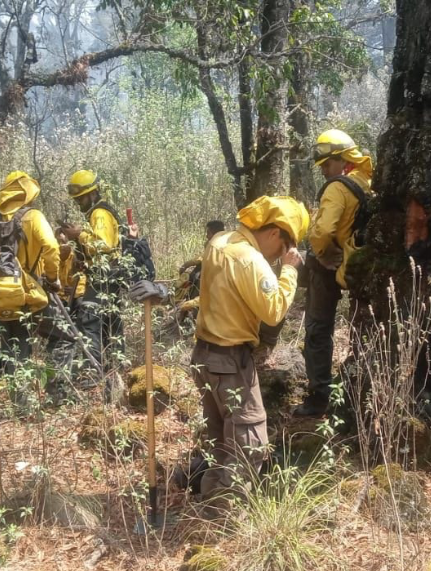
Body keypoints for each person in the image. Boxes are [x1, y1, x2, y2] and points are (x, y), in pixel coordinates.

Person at [133, 195, 308, 503]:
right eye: (282, 249)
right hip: (230, 361)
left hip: (204, 357)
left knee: (221, 440)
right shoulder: (249, 259)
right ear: (273, 233)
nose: (280, 256)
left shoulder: (219, 241)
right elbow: (274, 310)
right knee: (250, 444)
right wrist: (290, 270)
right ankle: (222, 514)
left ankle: (207, 494)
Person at [294, 129, 374, 417]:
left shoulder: (337, 188)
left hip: (327, 266)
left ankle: (318, 398)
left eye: (327, 164)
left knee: (317, 330)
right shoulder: (366, 182)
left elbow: (323, 231)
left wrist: (323, 253)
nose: (325, 171)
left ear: (343, 160)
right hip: (354, 265)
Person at [0, 171, 61, 370]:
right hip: (30, 292)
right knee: (65, 337)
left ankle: (17, 398)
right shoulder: (33, 217)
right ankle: (56, 391)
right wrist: (52, 278)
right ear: (27, 193)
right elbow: (51, 247)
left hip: (0, 296)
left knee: (12, 349)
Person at [59, 169, 124, 367]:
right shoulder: (98, 213)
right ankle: (115, 365)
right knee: (110, 321)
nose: (79, 203)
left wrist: (78, 234)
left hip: (104, 275)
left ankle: (92, 373)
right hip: (109, 275)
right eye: (76, 200)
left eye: (81, 198)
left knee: (90, 321)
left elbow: (103, 244)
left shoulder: (99, 213)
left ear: (93, 193)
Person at [176, 220, 225, 319]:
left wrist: (185, 265)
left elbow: (203, 258)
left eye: (208, 233)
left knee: (196, 277)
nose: (207, 236)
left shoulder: (216, 244)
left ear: (214, 233)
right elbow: (203, 258)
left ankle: (192, 309)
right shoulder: (225, 240)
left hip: (219, 275)